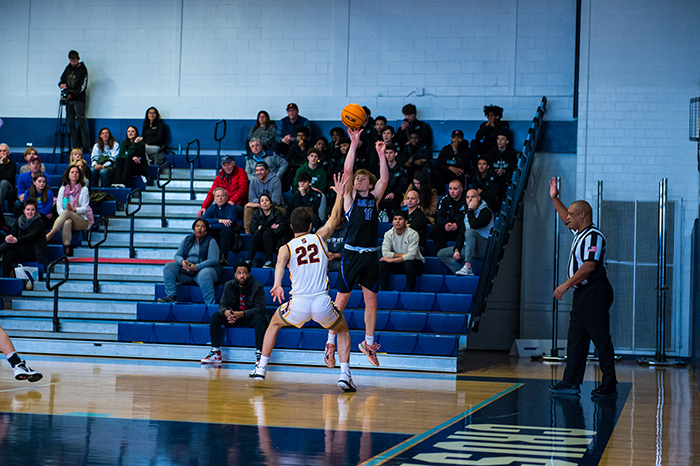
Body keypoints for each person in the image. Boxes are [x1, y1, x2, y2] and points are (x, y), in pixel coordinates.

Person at [249, 172, 357, 393]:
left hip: (297, 304)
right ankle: (345, 375)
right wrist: (338, 195)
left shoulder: (286, 247)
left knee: (274, 324)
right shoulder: (319, 236)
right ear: (310, 226)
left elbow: (280, 263)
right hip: (321, 302)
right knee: (342, 329)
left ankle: (261, 368)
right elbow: (335, 218)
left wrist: (277, 284)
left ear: (291, 226)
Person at [548, 177, 617, 397]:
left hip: (595, 291)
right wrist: (555, 198)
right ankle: (570, 382)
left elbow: (589, 267)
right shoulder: (579, 233)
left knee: (600, 338)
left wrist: (565, 285)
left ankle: (609, 384)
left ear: (582, 216)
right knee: (576, 338)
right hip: (583, 293)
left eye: (571, 214)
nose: (567, 217)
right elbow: (563, 216)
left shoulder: (594, 236)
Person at [327, 132, 389, 368]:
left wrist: (381, 155)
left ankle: (368, 343)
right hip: (352, 254)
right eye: (357, 177)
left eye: (363, 178)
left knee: (371, 302)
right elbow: (347, 170)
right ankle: (330, 343)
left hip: (370, 254)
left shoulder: (374, 198)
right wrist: (353, 144)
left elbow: (384, 180)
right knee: (341, 300)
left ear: (370, 184)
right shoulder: (350, 198)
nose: (359, 179)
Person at [201, 261, 268, 364]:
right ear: (235, 274)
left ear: (249, 274)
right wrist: (226, 312)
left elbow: (260, 308)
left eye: (244, 273)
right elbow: (222, 305)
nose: (242, 276)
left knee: (260, 318)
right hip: (233, 318)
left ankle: (260, 353)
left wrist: (241, 314)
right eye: (239, 273)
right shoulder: (229, 285)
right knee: (216, 316)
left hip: (249, 317)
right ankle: (215, 352)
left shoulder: (257, 287)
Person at [158, 219, 222, 305]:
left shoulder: (211, 241)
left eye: (203, 227)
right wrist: (183, 262)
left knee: (205, 273)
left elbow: (213, 260)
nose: (199, 228)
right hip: (187, 271)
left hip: (202, 271)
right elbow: (177, 256)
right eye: (197, 226)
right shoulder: (188, 239)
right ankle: (171, 296)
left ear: (206, 231)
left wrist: (196, 267)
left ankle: (210, 303)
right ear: (194, 228)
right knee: (169, 267)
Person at [437, 189, 493, 276]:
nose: (470, 199)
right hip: (469, 248)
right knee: (442, 253)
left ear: (478, 198)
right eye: (467, 197)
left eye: (472, 197)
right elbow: (461, 234)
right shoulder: (467, 215)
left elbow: (474, 225)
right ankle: (463, 271)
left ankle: (468, 266)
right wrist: (457, 249)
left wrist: (470, 210)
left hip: (483, 248)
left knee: (470, 231)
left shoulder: (486, 212)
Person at [45, 166, 94, 256]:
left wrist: (73, 210)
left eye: (77, 172)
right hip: (67, 218)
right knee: (67, 222)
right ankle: (66, 249)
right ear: (68, 175)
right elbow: (59, 207)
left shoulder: (84, 189)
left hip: (82, 220)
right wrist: (66, 216)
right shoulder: (63, 189)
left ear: (79, 175)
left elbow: (85, 209)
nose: (74, 174)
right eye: (72, 172)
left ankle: (51, 234)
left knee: (67, 212)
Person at [0, 200, 49, 288]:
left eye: (33, 210)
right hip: (20, 250)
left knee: (13, 244)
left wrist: (16, 240)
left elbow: (30, 237)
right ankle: (6, 280)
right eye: (28, 209)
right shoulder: (19, 221)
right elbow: (13, 234)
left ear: (36, 211)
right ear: (24, 211)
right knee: (8, 253)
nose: (30, 212)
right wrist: (9, 237)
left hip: (34, 251)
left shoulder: (39, 222)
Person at [379, 210, 424, 291]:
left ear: (406, 222)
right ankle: (384, 290)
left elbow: (411, 256)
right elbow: (385, 253)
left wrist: (392, 260)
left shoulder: (413, 234)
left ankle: (410, 290)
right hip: (400, 262)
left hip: (415, 263)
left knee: (408, 263)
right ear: (392, 222)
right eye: (395, 219)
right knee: (382, 264)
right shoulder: (388, 234)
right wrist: (404, 255)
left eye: (400, 219)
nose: (397, 221)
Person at [198, 155, 248, 220]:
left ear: (233, 163)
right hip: (223, 205)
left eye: (229, 164)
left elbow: (243, 189)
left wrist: (232, 201)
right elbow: (212, 193)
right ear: (222, 166)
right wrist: (204, 207)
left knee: (230, 209)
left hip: (237, 205)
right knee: (206, 213)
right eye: (224, 165)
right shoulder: (220, 176)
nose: (227, 167)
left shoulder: (241, 172)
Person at [58, 50, 90, 153]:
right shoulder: (68, 68)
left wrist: (73, 95)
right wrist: (61, 85)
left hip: (79, 100)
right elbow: (62, 79)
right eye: (71, 61)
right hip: (69, 100)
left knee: (81, 123)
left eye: (75, 61)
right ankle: (76, 146)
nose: (73, 63)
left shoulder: (83, 69)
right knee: (71, 124)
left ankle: (85, 146)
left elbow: (83, 86)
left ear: (78, 59)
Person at [246, 193, 289, 268]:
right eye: (262, 201)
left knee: (266, 233)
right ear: (260, 204)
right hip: (260, 242)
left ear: (271, 203)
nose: (264, 202)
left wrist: (263, 228)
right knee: (257, 233)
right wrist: (270, 228)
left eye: (267, 200)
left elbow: (281, 229)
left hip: (274, 242)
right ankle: (249, 259)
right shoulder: (256, 213)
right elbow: (252, 229)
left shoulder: (277, 213)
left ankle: (269, 261)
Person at [243, 162, 284, 234]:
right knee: (248, 209)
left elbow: (275, 200)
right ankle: (248, 234)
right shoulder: (253, 181)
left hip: (275, 206)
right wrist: (261, 204)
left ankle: (275, 233)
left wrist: (260, 203)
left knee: (281, 211)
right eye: (257, 170)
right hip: (260, 207)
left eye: (261, 170)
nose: (259, 172)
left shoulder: (275, 180)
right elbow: (252, 199)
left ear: (267, 170)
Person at [202, 188, 239, 264]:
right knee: (207, 232)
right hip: (215, 233)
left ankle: (223, 258)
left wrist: (211, 225)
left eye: (222, 196)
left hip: (228, 235)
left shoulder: (231, 209)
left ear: (226, 197)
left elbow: (229, 224)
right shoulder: (212, 208)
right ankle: (206, 256)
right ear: (214, 198)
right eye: (218, 196)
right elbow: (203, 221)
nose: (220, 198)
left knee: (225, 231)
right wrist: (219, 220)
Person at [431, 179, 466, 253]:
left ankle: (459, 251)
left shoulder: (466, 199)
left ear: (461, 189)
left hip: (462, 228)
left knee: (465, 228)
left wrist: (458, 224)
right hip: (450, 228)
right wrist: (445, 224)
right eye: (450, 189)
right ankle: (441, 253)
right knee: (436, 228)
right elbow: (439, 217)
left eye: (455, 189)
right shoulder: (445, 200)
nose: (452, 191)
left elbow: (468, 217)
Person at [377, 143, 408, 218]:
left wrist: (394, 193)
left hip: (397, 196)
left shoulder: (401, 169)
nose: (388, 155)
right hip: (383, 195)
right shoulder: (382, 169)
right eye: (386, 153)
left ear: (395, 154)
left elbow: (403, 186)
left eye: (391, 152)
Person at [0, 144, 17, 212]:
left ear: (8, 153)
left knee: (3, 182)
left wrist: (1, 164)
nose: (2, 153)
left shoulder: (12, 165)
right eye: (0, 151)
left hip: (9, 188)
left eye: (4, 151)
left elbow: (7, 177)